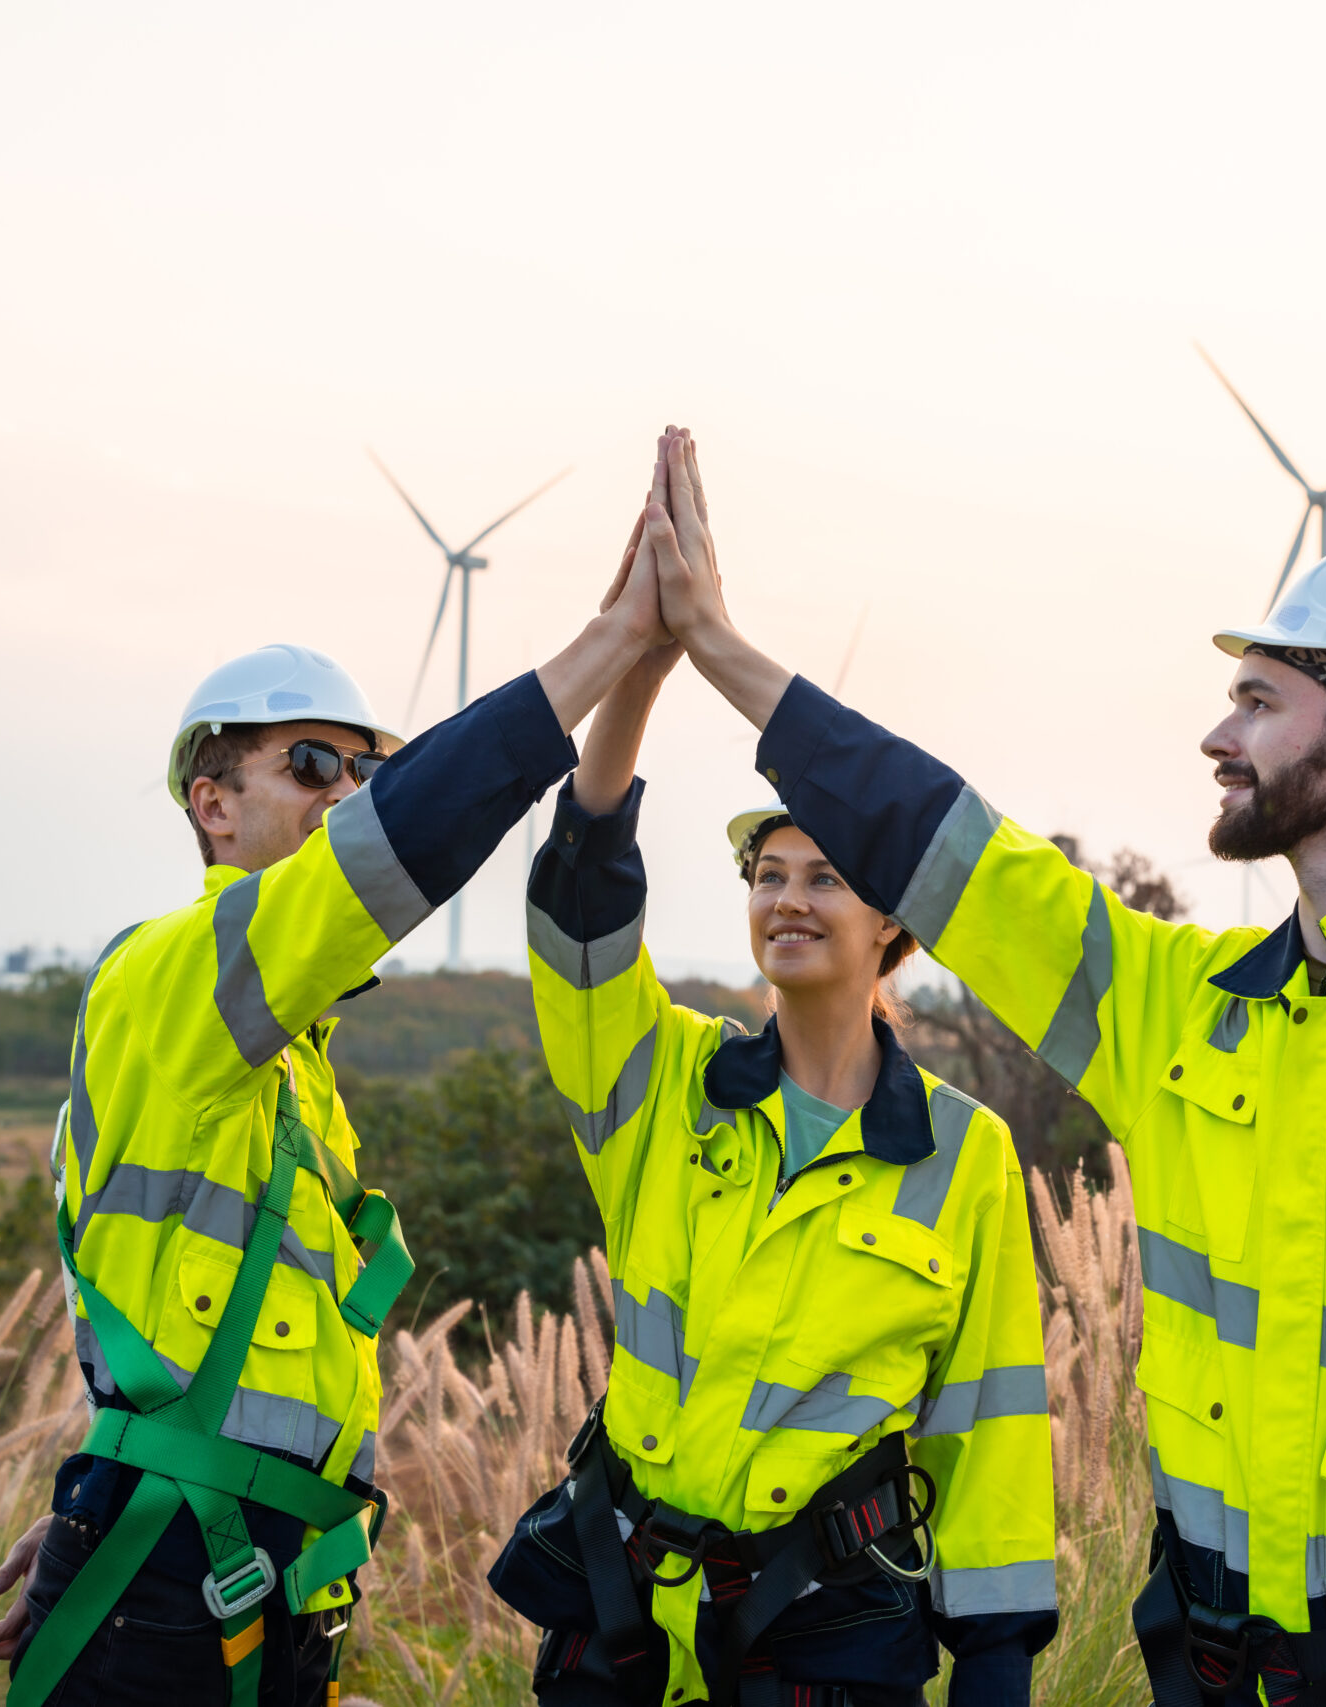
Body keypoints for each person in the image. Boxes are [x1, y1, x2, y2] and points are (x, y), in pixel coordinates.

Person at [639, 427, 1326, 1706]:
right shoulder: (1180, 1009)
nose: (1216, 735)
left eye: (1258, 700)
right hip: (1200, 1670)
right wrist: (730, 660)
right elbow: (961, 856)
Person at [0, 527, 679, 1706]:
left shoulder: (289, 1057)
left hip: (226, 1567)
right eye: (308, 763)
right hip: (177, 1577)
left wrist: (111, 1486)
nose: (344, 795)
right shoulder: (173, 976)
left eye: (361, 772)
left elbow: (163, 1306)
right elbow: (401, 846)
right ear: (213, 802)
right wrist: (610, 648)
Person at [487, 479, 1056, 1707]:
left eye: (826, 876)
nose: (788, 898)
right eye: (767, 872)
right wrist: (639, 661)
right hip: (623, 1620)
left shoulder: (964, 1157)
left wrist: (997, 1672)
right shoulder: (663, 1081)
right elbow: (581, 904)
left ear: (894, 918)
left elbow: (990, 1431)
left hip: (827, 1643)